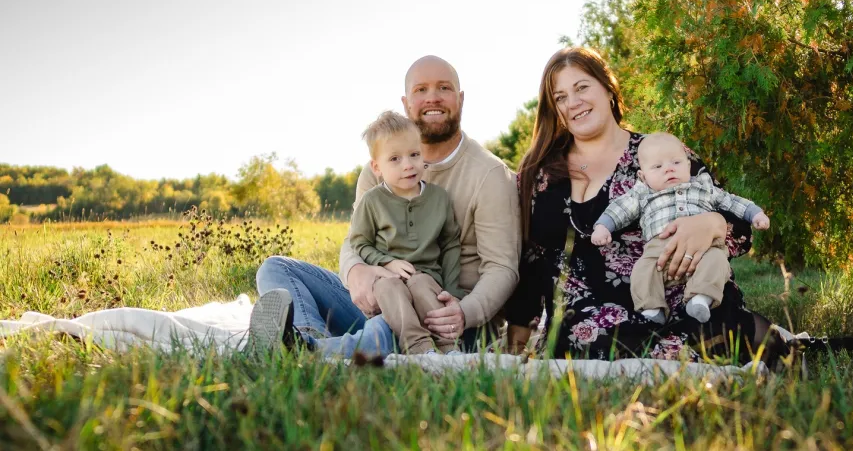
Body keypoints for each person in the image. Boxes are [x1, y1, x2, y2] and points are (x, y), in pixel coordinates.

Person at [505, 47, 776, 361]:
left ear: (608, 88)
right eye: (560, 96)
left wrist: (712, 223)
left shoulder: (658, 153)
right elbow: (531, 260)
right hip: (585, 325)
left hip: (676, 306)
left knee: (721, 336)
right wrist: (518, 337)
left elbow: (738, 224)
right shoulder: (539, 174)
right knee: (597, 338)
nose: (573, 102)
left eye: (581, 88)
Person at [254, 56, 520, 356]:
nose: (432, 97)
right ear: (407, 103)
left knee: (388, 327)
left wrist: (462, 311)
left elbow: (502, 268)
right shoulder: (378, 171)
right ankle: (307, 338)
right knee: (276, 269)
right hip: (383, 300)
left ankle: (314, 352)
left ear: (460, 99)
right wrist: (355, 271)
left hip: (449, 320)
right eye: (421, 90)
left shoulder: (490, 175)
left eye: (443, 88)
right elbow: (355, 240)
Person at [591, 132, 770, 325]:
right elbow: (620, 208)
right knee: (642, 271)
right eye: (658, 166)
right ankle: (651, 308)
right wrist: (603, 227)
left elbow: (731, 201)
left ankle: (700, 298)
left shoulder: (703, 186)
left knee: (718, 260)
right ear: (643, 175)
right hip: (659, 252)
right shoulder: (642, 192)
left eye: (676, 163)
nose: (668, 170)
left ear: (688, 164)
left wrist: (755, 213)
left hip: (704, 249)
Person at [349, 110, 463, 355]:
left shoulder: (438, 198)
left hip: (427, 278)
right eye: (395, 159)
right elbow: (360, 242)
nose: (408, 165)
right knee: (388, 287)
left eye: (414, 154)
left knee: (421, 284)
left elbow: (451, 244)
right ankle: (419, 348)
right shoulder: (372, 201)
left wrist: (453, 292)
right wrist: (387, 262)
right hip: (388, 278)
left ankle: (448, 349)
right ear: (376, 167)